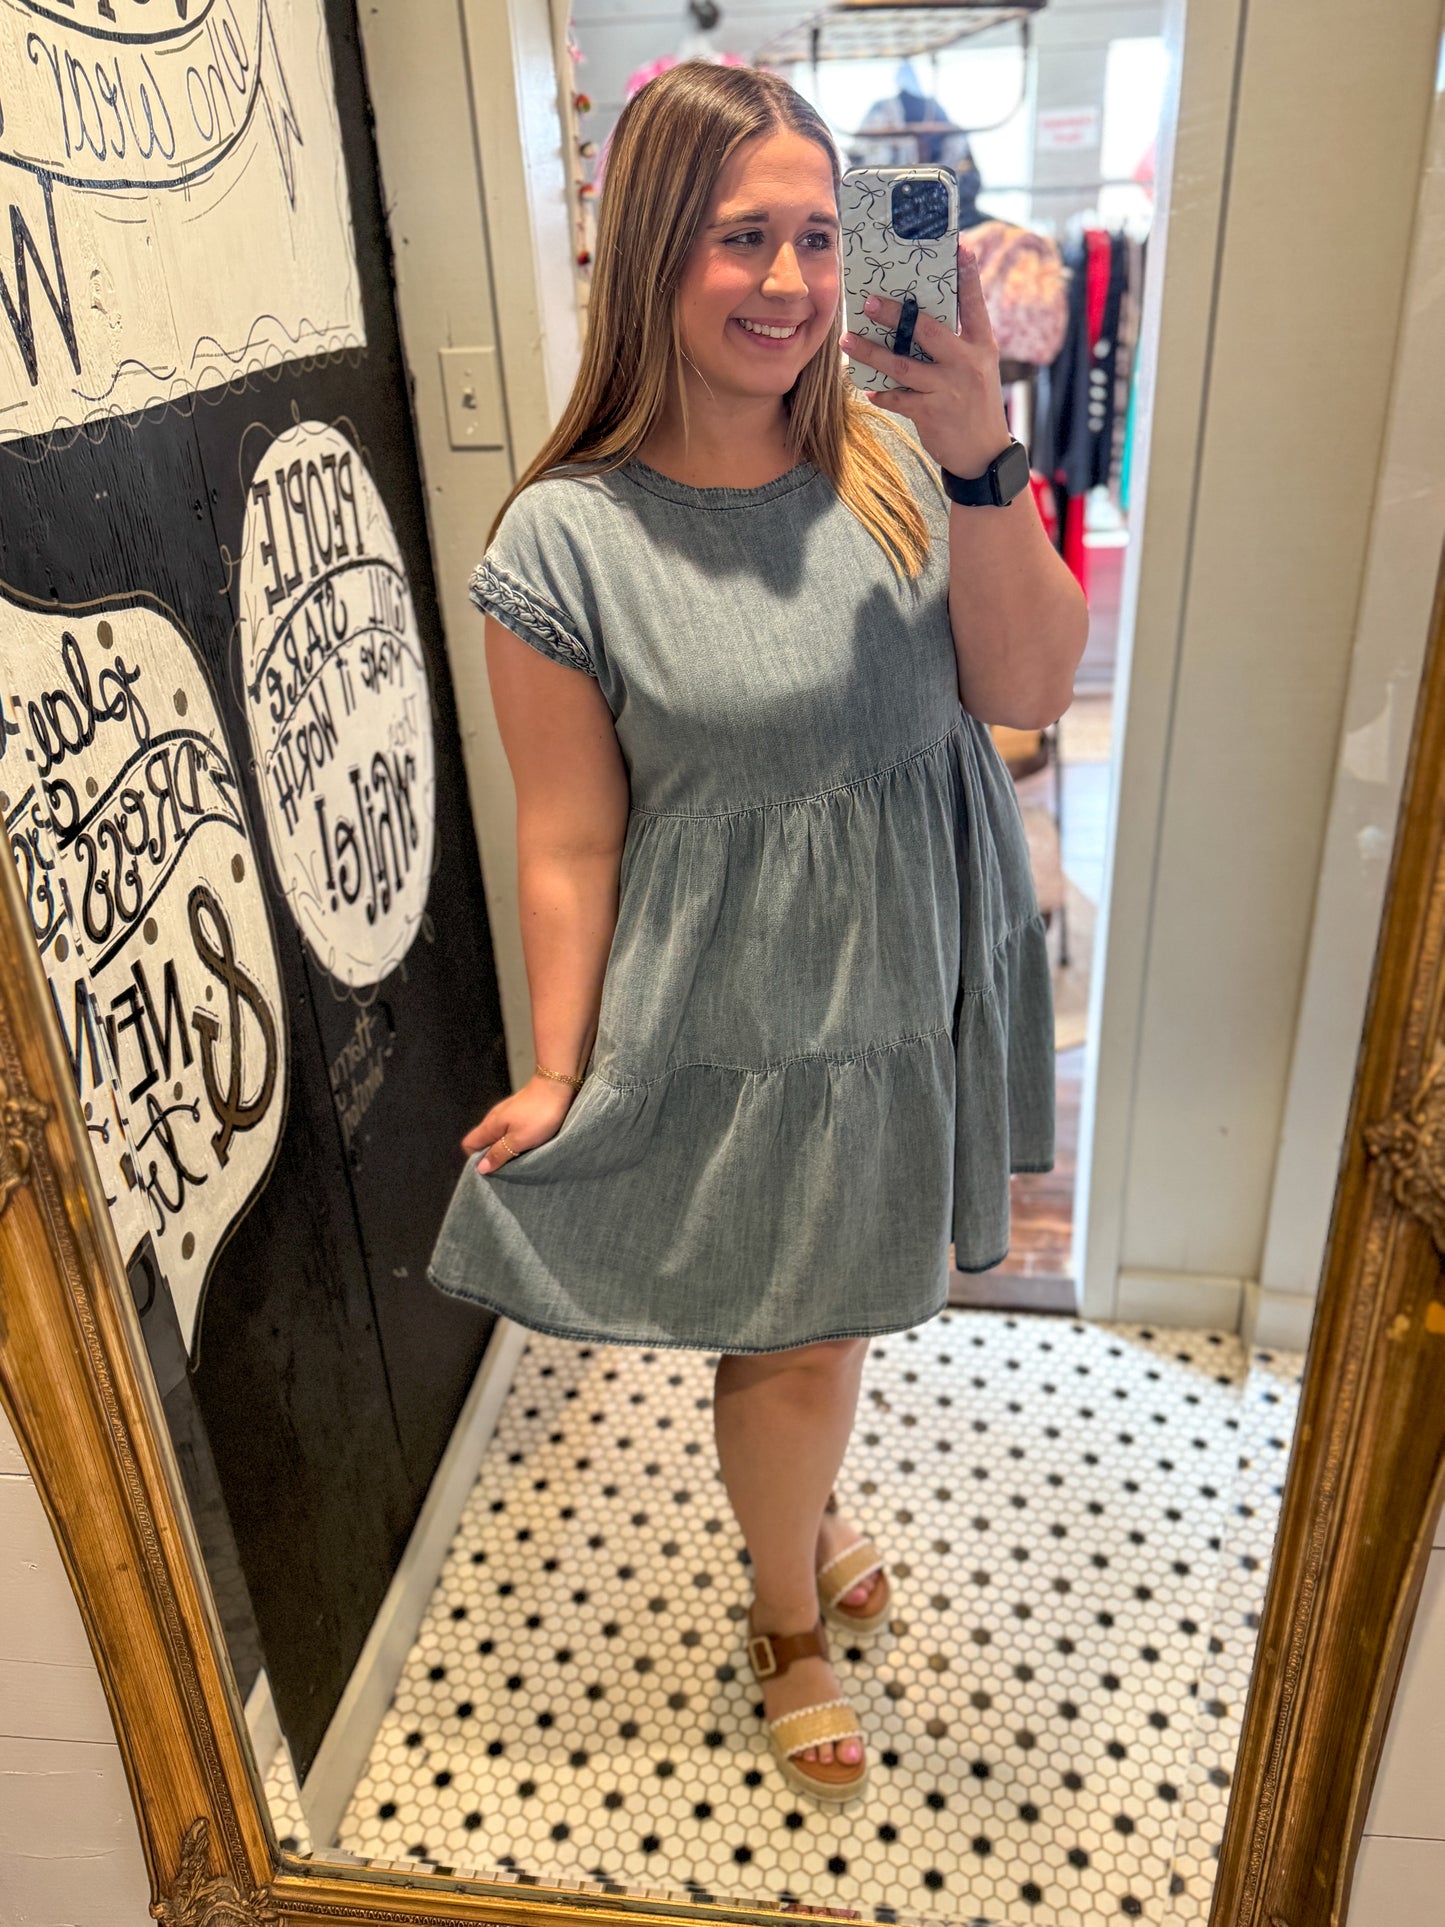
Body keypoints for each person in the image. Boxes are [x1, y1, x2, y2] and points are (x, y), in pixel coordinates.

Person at [429, 61, 1087, 1805]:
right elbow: (569, 833)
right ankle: (782, 1617)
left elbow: (1026, 687)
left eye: (815, 233)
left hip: (916, 968)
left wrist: (982, 455)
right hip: (742, 1002)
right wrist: (562, 1062)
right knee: (785, 1330)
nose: (790, 281)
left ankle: (794, 1504)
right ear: (651, 248)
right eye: (741, 238)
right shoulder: (561, 543)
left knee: (838, 1308)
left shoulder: (890, 458)